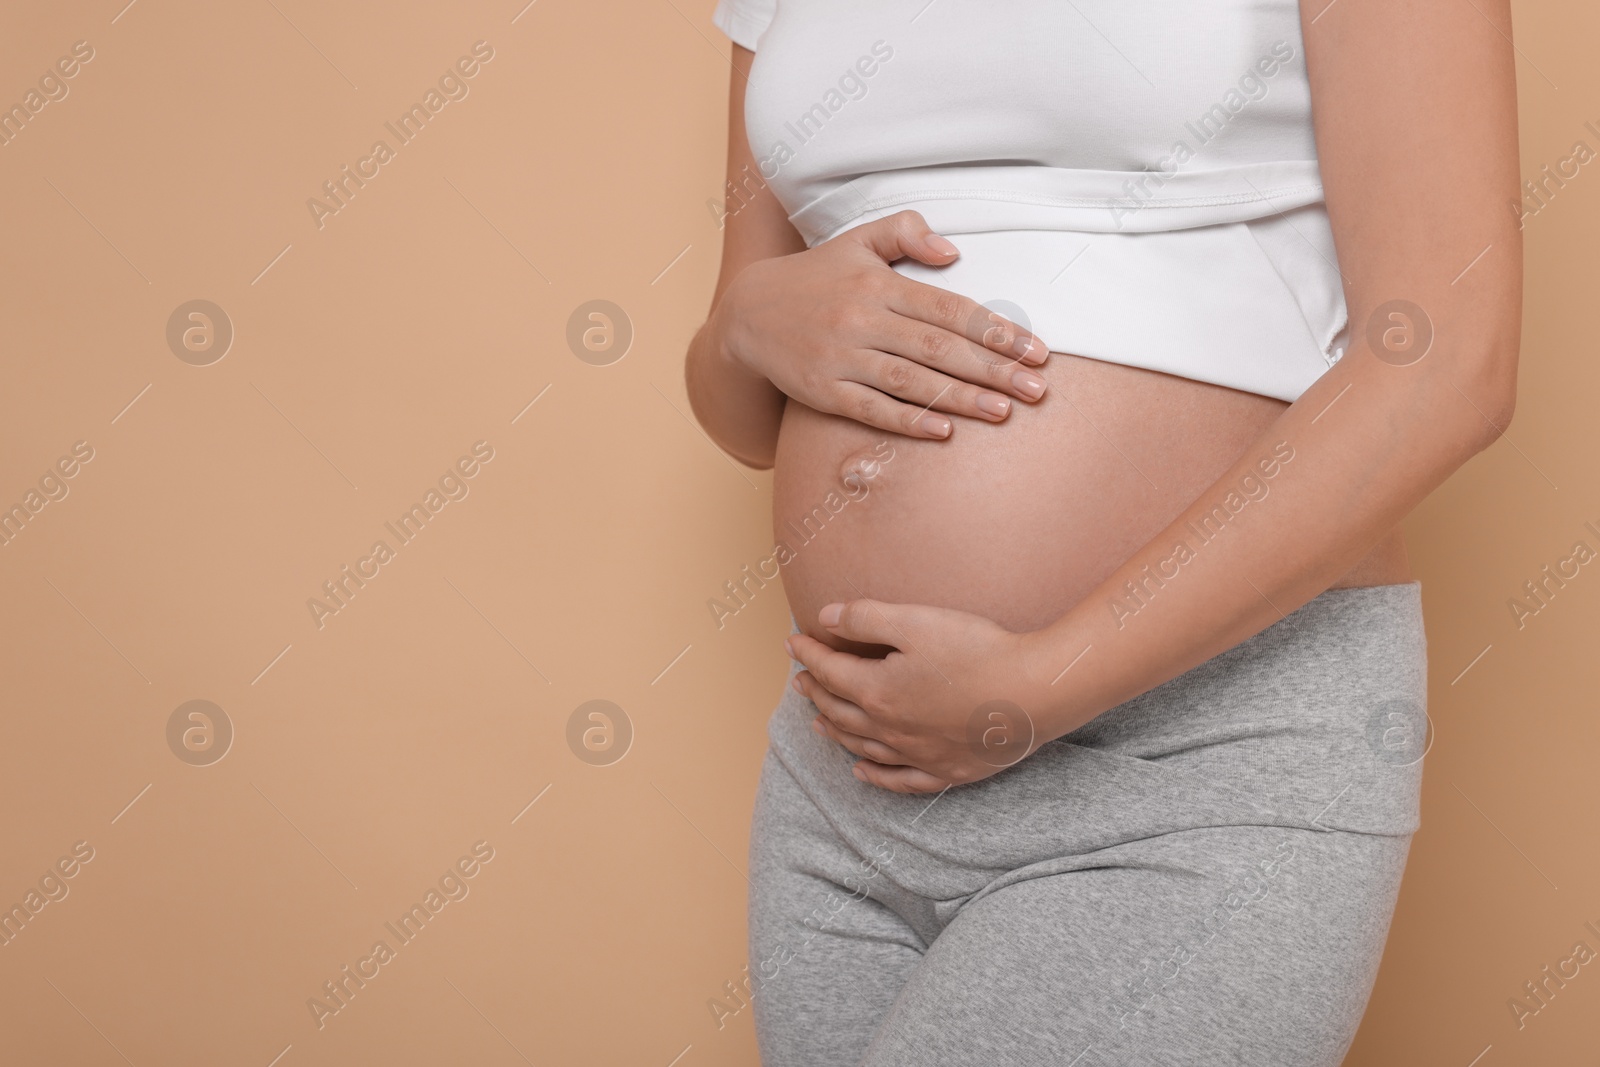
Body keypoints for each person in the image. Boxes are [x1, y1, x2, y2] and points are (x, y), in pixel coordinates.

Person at [683, 1, 1521, 1063]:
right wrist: (747, 321)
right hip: (848, 769)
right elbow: (738, 410)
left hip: (1191, 758)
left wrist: (1044, 677)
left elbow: (1447, 363)